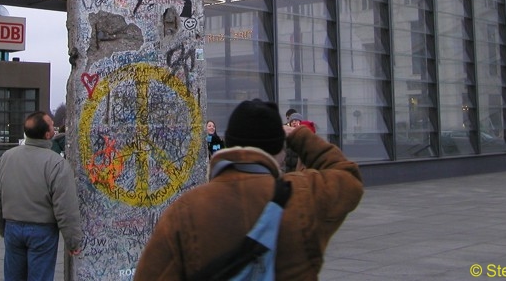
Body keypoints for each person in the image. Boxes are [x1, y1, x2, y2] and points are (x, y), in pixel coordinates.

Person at [134, 99, 364, 280]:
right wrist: (300, 135)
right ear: (280, 152)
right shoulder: (305, 194)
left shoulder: (186, 209)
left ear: (230, 144)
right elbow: (347, 175)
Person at [0, 111, 83, 281]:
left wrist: (2, 227)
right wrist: (72, 240)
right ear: (47, 134)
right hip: (42, 231)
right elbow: (65, 206)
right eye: (52, 124)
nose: (54, 127)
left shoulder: (6, 158)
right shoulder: (57, 164)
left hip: (12, 227)